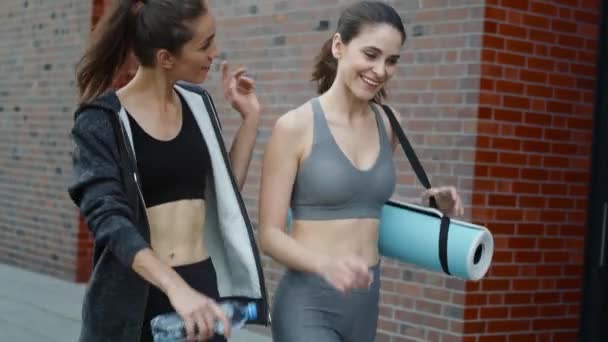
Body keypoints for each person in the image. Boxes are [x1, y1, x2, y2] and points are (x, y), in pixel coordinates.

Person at [258, 2, 464, 342]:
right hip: (309, 303)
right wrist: (325, 264)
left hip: (366, 304)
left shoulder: (388, 122)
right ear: (339, 46)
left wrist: (429, 205)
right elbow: (269, 235)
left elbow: (363, 202)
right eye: (371, 54)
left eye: (392, 60)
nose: (380, 70)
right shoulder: (295, 127)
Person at [68, 1, 269, 341]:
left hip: (200, 285)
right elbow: (111, 222)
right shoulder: (100, 121)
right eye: (204, 45)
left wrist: (250, 120)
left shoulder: (199, 104)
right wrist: (176, 289)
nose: (215, 53)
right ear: (165, 58)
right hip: (140, 294)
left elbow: (223, 194)